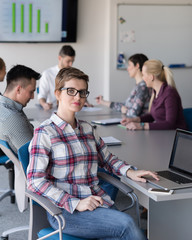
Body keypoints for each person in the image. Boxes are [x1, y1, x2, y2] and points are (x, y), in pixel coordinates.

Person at [27, 67, 158, 239]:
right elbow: (34, 181)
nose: (78, 97)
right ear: (58, 93)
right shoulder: (45, 133)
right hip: (67, 211)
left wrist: (130, 171)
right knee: (127, 225)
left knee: (127, 232)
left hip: (97, 202)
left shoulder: (87, 129)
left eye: (82, 93)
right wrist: (75, 203)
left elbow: (107, 159)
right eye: (71, 91)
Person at [121, 59, 187, 130]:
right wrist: (134, 120)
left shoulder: (169, 93)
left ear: (151, 77)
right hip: (164, 135)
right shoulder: (155, 92)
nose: (142, 78)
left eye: (143, 75)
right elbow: (153, 116)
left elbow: (170, 124)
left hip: (175, 136)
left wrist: (141, 126)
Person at [0, 64, 41, 153]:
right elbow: (34, 154)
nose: (33, 97)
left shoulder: (0, 107)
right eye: (31, 91)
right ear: (18, 89)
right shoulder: (13, 118)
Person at [38, 45, 92, 110]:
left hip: (72, 109)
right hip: (53, 109)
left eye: (72, 61)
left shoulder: (73, 74)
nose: (71, 64)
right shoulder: (47, 74)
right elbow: (41, 96)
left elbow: (79, 92)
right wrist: (44, 104)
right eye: (68, 61)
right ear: (60, 58)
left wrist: (86, 103)